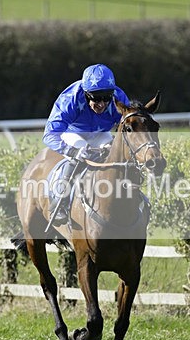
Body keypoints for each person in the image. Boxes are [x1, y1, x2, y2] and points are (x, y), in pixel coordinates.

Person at [43, 63, 131, 226]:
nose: (102, 104)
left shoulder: (119, 96)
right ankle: (59, 203)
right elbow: (49, 135)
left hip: (100, 133)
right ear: (86, 94)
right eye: (96, 98)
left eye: (106, 97)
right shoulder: (70, 99)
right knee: (79, 155)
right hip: (72, 132)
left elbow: (128, 127)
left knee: (119, 157)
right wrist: (71, 151)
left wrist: (115, 144)